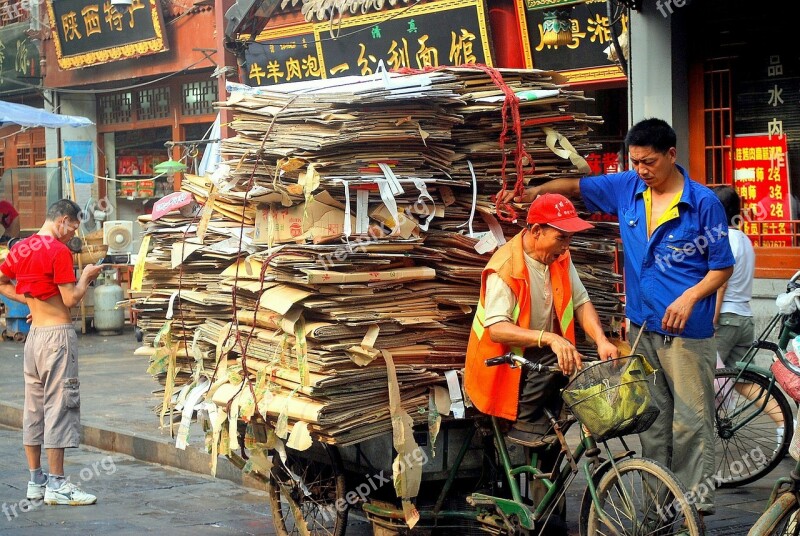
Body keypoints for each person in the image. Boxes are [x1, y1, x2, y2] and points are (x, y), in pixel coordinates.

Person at [508, 118, 735, 517]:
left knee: (691, 422)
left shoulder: (704, 203)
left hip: (688, 335)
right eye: (635, 162)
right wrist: (537, 190)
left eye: (648, 162)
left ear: (671, 155)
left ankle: (691, 508)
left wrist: (690, 297)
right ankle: (655, 507)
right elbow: (577, 187)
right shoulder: (627, 187)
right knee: (652, 422)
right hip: (643, 328)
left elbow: (721, 267)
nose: (642, 170)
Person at [465, 193, 619, 441]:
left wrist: (601, 340)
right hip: (502, 368)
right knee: (555, 355)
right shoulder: (506, 267)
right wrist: (550, 338)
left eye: (569, 238)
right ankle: (524, 426)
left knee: (576, 362)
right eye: (561, 237)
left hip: (538, 366)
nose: (566, 246)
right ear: (536, 231)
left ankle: (543, 451)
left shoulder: (559, 258)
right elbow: (496, 329)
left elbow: (581, 302)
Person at [0, 199, 103, 506]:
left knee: (34, 409)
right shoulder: (58, 251)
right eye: (73, 226)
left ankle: (36, 481)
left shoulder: (20, 248)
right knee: (59, 406)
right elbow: (70, 298)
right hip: (57, 338)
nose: (73, 233)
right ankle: (57, 484)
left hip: (34, 339)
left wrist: (31, 301)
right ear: (62, 221)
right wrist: (86, 276)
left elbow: (3, 281)